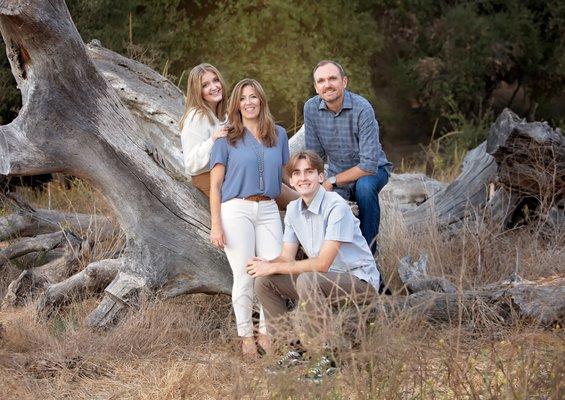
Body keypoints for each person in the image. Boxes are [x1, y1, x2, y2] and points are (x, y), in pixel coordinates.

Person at [247, 150, 380, 381]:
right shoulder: (293, 210)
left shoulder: (335, 206)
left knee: (308, 277)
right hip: (323, 283)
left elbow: (323, 263)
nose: (303, 178)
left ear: (321, 176)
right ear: (290, 181)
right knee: (264, 282)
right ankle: (291, 350)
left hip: (358, 283)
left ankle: (329, 358)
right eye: (297, 173)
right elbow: (286, 258)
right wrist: (266, 265)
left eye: (309, 171)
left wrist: (274, 266)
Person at [209, 78, 291, 357]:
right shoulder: (227, 138)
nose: (249, 102)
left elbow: (284, 177)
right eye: (243, 98)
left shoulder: (278, 135)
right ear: (236, 104)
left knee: (272, 272)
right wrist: (216, 223)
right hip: (235, 210)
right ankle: (246, 337)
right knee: (243, 275)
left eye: (253, 97)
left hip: (269, 210)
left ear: (262, 101)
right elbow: (215, 185)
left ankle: (267, 334)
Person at [304, 60, 392, 254]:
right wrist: (314, 184)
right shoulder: (310, 108)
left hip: (373, 171)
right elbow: (314, 155)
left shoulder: (362, 108)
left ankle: (368, 255)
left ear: (344, 82)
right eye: (321, 81)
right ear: (316, 87)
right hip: (338, 173)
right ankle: (332, 262)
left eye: (332, 78)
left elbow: (368, 165)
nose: (327, 84)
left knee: (364, 187)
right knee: (325, 203)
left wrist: (331, 181)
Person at [180, 63, 229, 197]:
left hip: (226, 173)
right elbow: (190, 164)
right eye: (205, 85)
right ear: (197, 91)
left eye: (215, 80)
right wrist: (213, 139)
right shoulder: (195, 117)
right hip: (207, 178)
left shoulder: (224, 114)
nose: (213, 87)